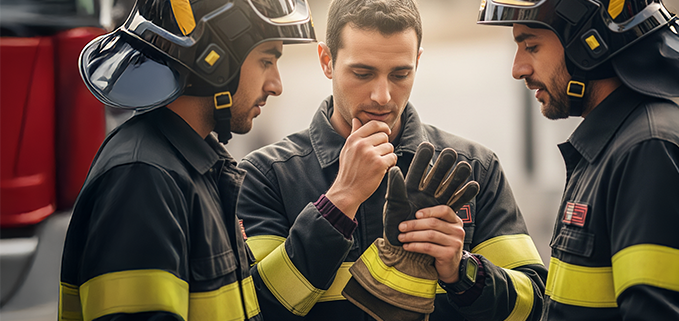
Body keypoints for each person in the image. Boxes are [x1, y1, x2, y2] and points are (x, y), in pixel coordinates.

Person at [236, 0, 547, 320]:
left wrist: (462, 270)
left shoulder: (475, 168)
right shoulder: (265, 176)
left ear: (418, 62)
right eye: (362, 73)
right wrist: (340, 201)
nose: (382, 95)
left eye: (400, 74)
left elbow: (535, 305)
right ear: (326, 61)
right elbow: (252, 308)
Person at [477, 0, 679, 320]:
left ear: (588, 46)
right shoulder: (618, 147)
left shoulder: (650, 153)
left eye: (531, 46)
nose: (518, 69)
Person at [58, 0, 316, 319]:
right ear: (215, 62)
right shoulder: (143, 180)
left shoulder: (195, 170)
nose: (276, 85)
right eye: (266, 61)